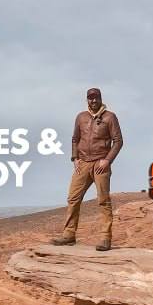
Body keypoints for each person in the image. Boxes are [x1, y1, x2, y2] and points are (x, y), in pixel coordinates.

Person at [50, 87, 122, 250]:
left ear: (100, 99)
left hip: (100, 164)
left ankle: (105, 238)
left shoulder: (110, 117)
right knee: (73, 198)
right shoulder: (81, 117)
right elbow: (75, 139)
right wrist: (75, 158)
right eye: (90, 98)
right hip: (82, 163)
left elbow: (118, 141)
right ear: (87, 99)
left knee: (103, 200)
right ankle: (69, 235)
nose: (93, 100)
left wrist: (107, 160)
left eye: (96, 98)